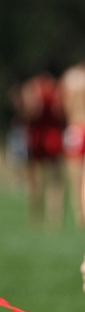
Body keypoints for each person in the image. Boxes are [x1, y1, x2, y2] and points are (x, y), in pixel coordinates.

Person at [18, 71, 65, 230]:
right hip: (54, 135)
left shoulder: (32, 86)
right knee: (55, 181)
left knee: (34, 180)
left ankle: (35, 217)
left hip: (37, 136)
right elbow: (61, 111)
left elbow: (31, 111)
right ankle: (54, 220)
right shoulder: (56, 87)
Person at [60, 61, 85, 229]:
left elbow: (64, 106)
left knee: (75, 175)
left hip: (75, 127)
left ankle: (80, 215)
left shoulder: (70, 77)